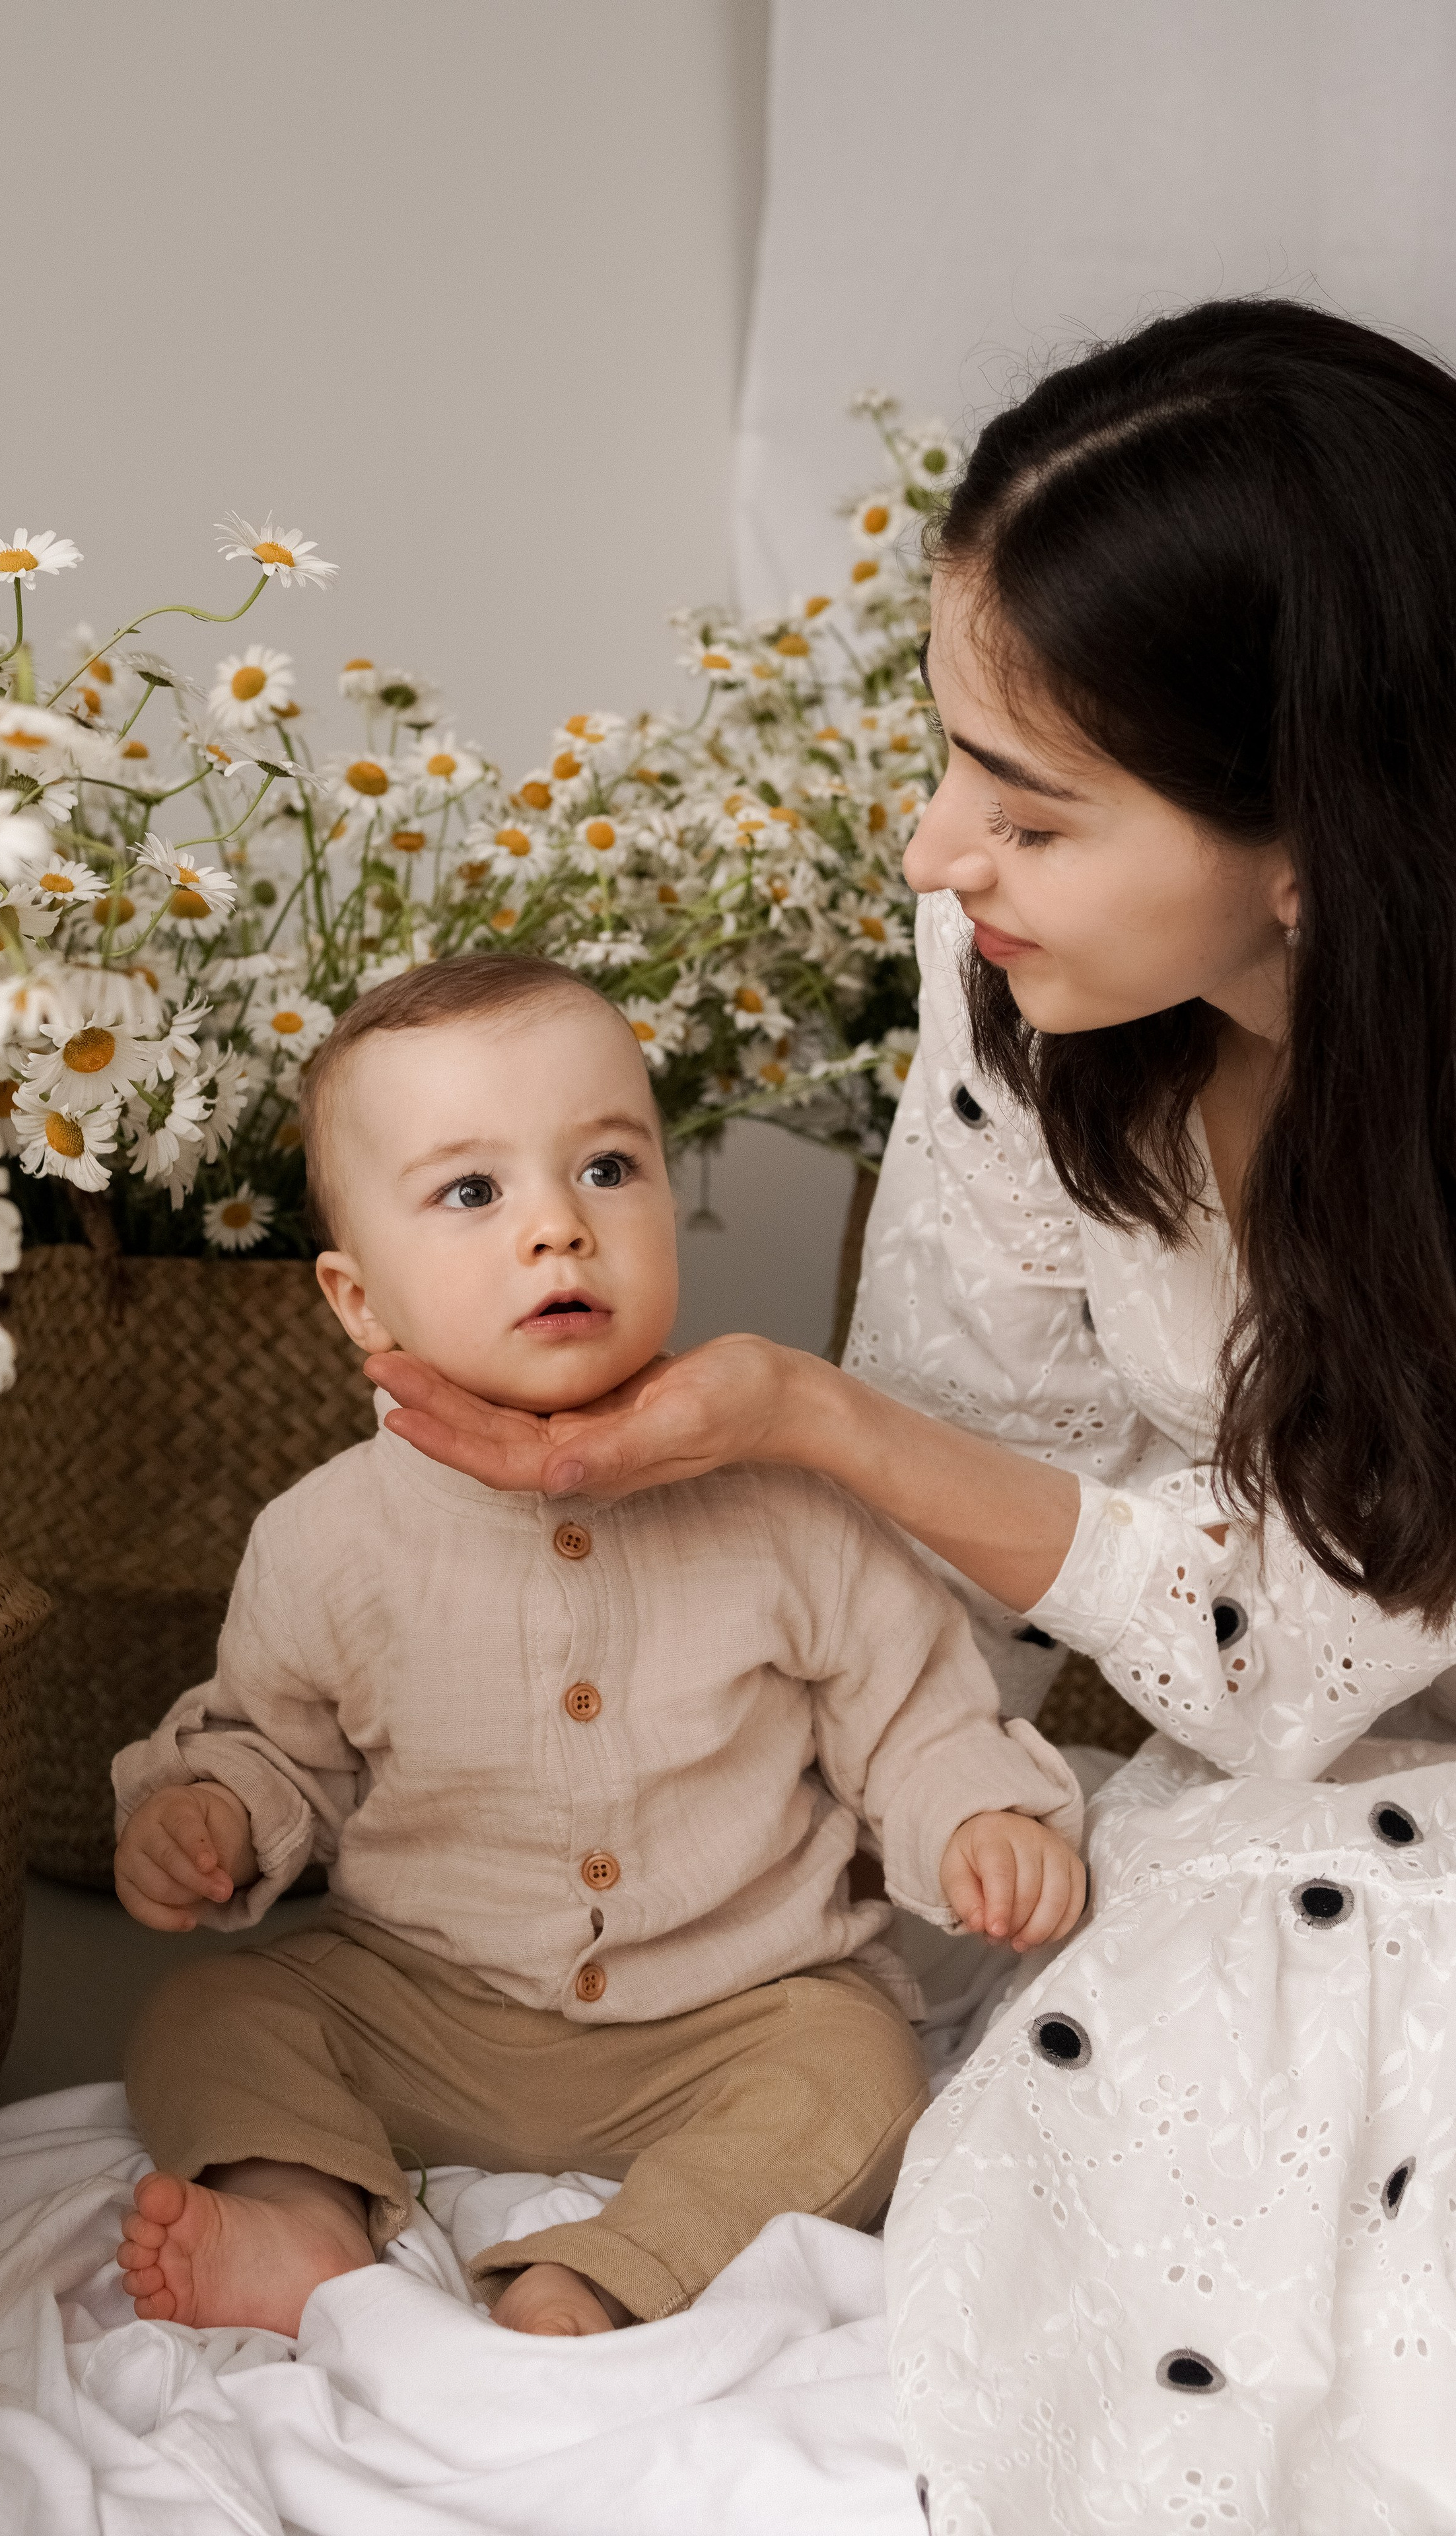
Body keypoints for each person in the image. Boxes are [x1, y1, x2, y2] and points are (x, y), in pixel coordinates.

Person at [371, 300, 1456, 2527]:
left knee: (1259, 2092)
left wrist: (806, 1425)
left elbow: (1298, 1674)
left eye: (1033, 811)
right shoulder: (1029, 992)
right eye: (946, 747)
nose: (937, 852)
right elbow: (990, 1435)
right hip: (1232, 1742)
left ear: (1316, 846)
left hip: (1346, 1764)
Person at [108, 956, 1086, 2344]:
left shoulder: (784, 1498)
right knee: (206, 2014)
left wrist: (978, 1818)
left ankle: (609, 2268)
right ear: (358, 1302)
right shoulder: (326, 1537)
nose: (556, 1231)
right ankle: (299, 2215)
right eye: (472, 1193)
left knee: (859, 2070)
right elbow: (278, 1743)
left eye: (609, 1169)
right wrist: (210, 1812)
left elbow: (910, 1715)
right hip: (424, 2003)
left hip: (735, 2006)